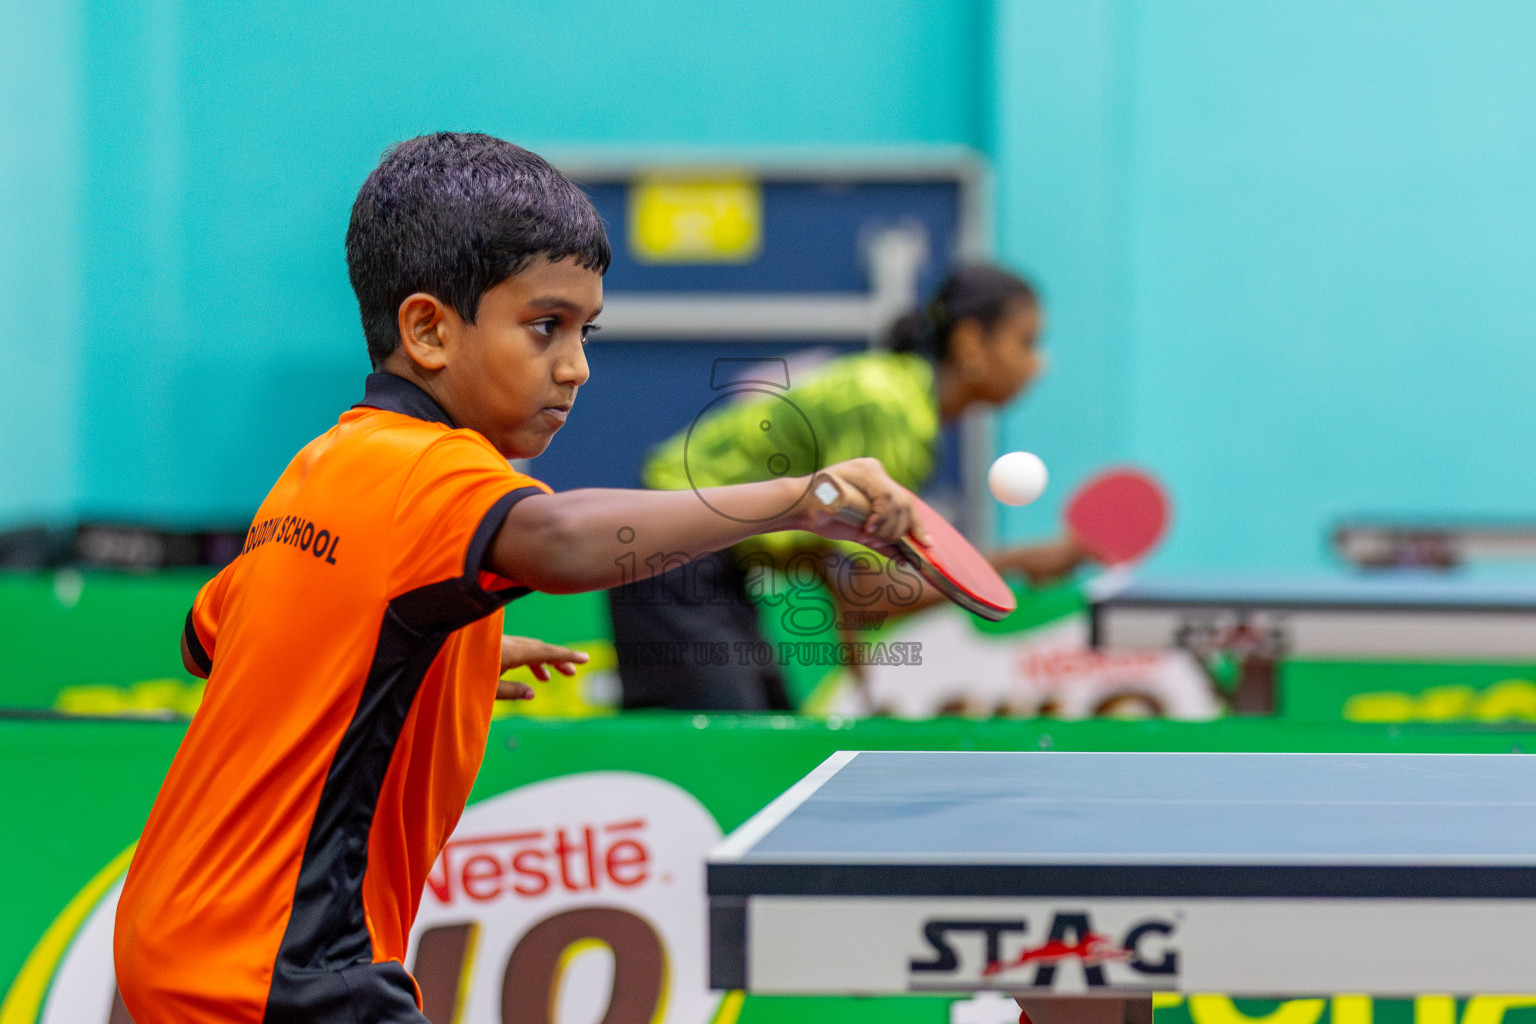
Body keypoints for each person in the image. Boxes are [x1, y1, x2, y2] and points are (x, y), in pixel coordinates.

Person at [111, 132, 922, 1024]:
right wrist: (797, 498)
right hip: (285, 961)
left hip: (174, 933)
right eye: (545, 327)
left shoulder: (322, 467)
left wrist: (428, 656)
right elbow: (563, 542)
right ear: (427, 329)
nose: (575, 366)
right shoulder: (429, 467)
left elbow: (220, 635)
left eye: (585, 331)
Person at [609, 264, 1092, 711]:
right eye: (1026, 342)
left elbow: (838, 566)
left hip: (715, 558)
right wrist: (1015, 563)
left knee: (769, 730)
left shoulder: (902, 400)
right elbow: (871, 592)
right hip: (672, 546)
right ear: (970, 343)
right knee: (727, 744)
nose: (1038, 365)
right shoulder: (891, 409)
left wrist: (860, 681)